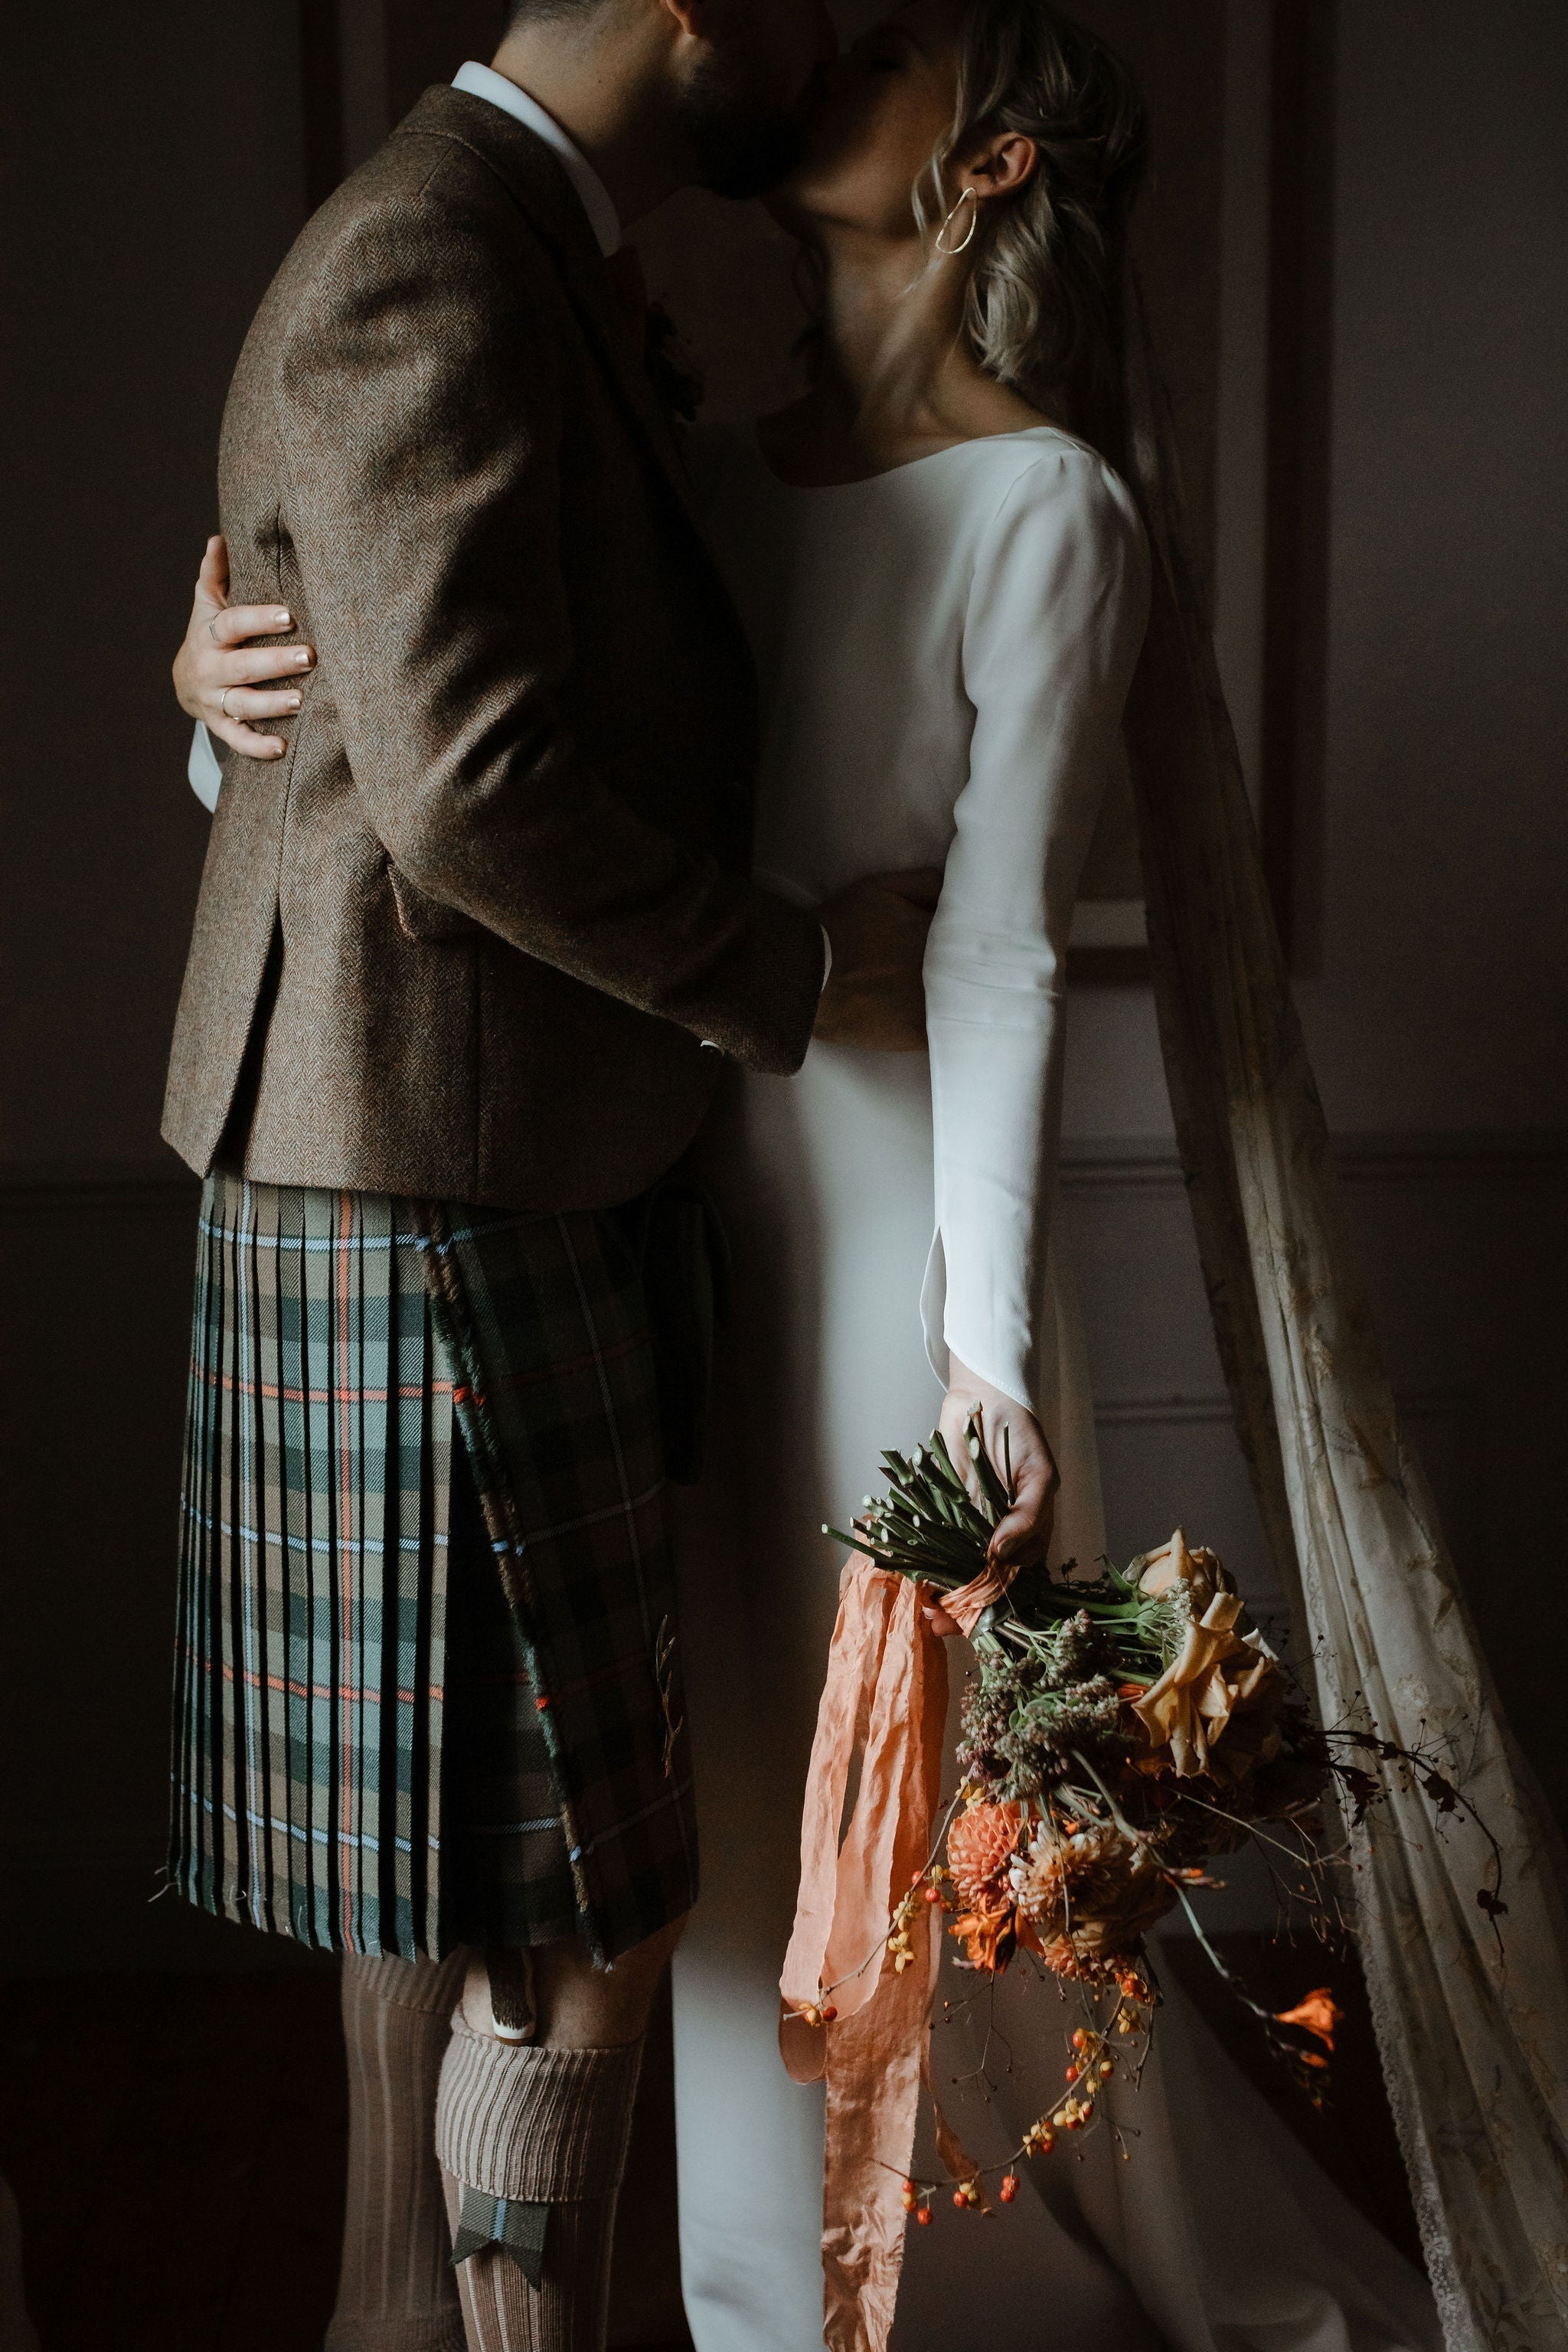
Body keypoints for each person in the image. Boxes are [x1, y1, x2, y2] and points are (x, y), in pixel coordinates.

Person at [172, 4, 1443, 2349]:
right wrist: (224, 698)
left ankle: (895, 2294)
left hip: (887, 1228)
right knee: (686, 1809)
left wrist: (983, 1348)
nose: (820, 46)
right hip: (640, 1176)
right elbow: (480, 739)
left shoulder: (1054, 504)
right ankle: (731, 2279)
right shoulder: (700, 448)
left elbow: (992, 953)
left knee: (870, 1786)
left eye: (884, 52)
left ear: (981, 170)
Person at [157, 5, 948, 2351]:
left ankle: (401, 2327)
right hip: (432, 1165)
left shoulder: (524, 247)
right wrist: (789, 973)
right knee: (562, 1899)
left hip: (449, 1145)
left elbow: (374, 692)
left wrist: (216, 726)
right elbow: (467, 787)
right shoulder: (440, 257)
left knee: (466, 1890)